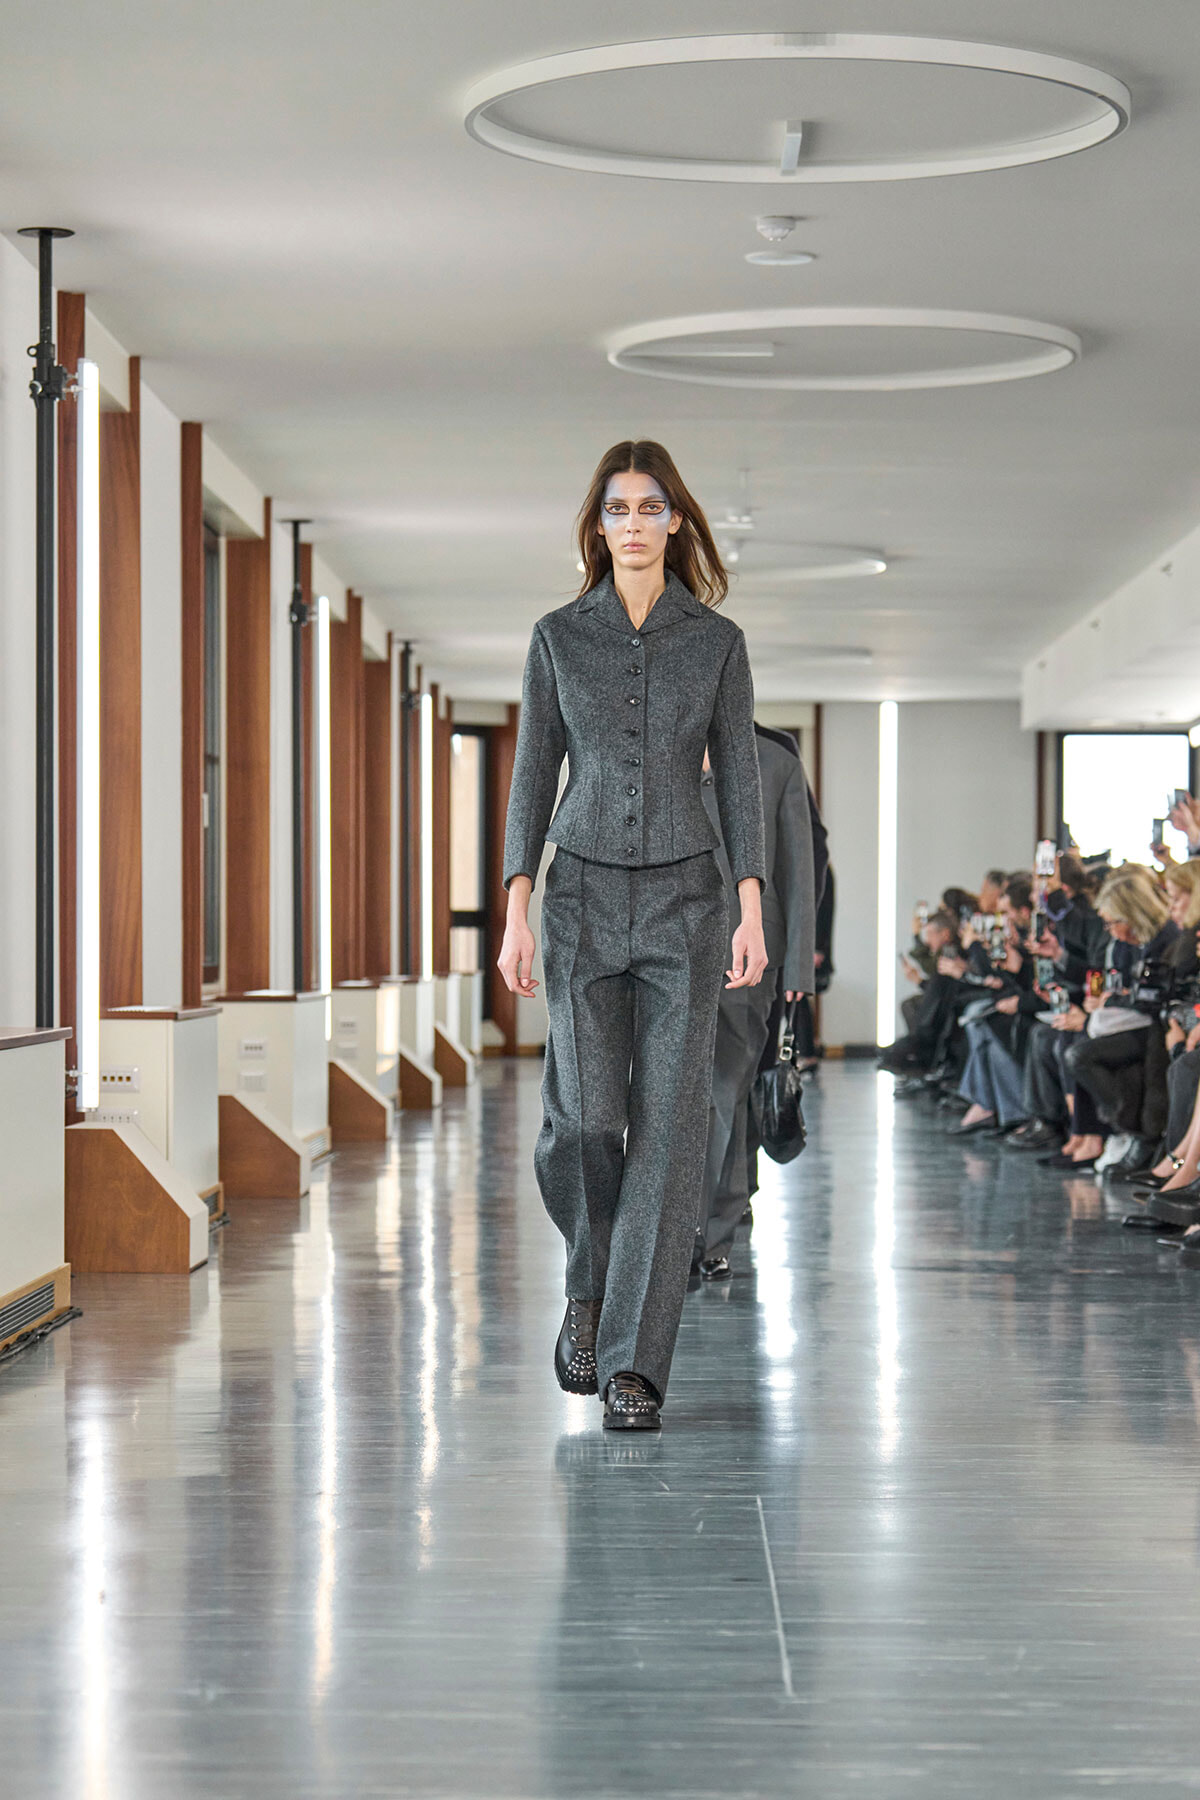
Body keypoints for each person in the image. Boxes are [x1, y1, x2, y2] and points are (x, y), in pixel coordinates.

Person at [498, 440, 768, 1432]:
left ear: (676, 523)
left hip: (687, 906)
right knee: (579, 1119)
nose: (636, 524)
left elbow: (737, 776)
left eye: (653, 507)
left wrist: (748, 903)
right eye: (619, 508)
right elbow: (533, 774)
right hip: (578, 903)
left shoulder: (717, 642)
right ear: (599, 526)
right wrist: (517, 903)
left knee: (668, 1130)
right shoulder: (559, 638)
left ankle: (635, 1368)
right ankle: (589, 1283)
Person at [693, 725, 818, 1280]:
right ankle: (695, 1227)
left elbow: (800, 866)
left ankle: (709, 1235)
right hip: (656, 948)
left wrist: (799, 967)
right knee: (677, 1098)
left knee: (726, 1092)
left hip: (747, 959)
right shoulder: (653, 742)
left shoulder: (775, 761)